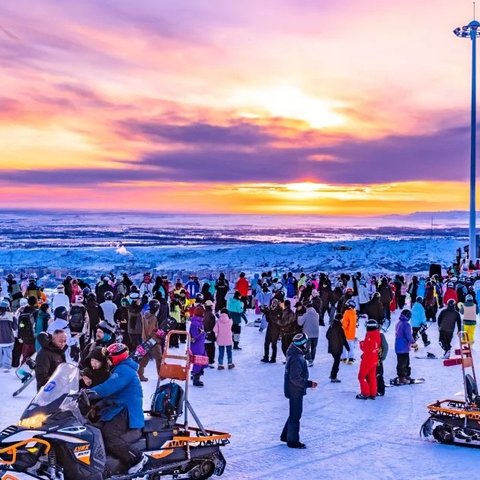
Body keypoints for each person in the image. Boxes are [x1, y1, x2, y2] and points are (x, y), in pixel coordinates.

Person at [88, 343, 146, 475]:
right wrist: (97, 406)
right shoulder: (119, 369)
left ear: (116, 358)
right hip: (118, 409)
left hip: (127, 412)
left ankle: (136, 458)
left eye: (109, 357)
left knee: (109, 435)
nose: (107, 360)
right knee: (94, 428)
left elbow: (107, 388)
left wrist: (88, 393)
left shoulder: (124, 370)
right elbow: (112, 395)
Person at [281, 333, 317, 449]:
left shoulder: (295, 353)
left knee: (294, 413)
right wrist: (308, 384)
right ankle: (292, 441)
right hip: (295, 390)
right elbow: (294, 377)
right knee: (295, 415)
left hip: (294, 389)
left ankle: (286, 435)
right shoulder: (297, 358)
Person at [138, 299, 162, 382]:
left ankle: (140, 375)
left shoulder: (145, 314)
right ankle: (161, 374)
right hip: (152, 341)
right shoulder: (153, 318)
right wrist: (158, 335)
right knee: (159, 358)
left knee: (144, 358)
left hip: (145, 339)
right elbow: (151, 331)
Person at [356, 319, 381, 400]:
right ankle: (373, 393)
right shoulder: (377, 335)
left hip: (367, 361)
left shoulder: (369, 337)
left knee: (361, 376)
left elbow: (365, 349)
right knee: (372, 377)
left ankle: (365, 393)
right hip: (374, 360)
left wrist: (361, 343)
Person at [326, 313, 349, 383]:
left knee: (336, 361)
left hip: (332, 347)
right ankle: (333, 376)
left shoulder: (332, 326)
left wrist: (332, 340)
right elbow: (343, 339)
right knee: (336, 362)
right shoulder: (339, 328)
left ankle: (332, 375)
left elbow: (327, 335)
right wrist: (348, 347)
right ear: (340, 319)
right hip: (337, 348)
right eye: (342, 319)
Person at [394, 309, 415, 384]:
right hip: (403, 347)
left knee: (403, 362)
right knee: (403, 363)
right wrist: (413, 342)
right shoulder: (406, 324)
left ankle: (405, 376)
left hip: (398, 346)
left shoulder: (399, 323)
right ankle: (402, 378)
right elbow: (409, 336)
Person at [297, 302, 319, 367]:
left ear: (307, 307)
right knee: (314, 347)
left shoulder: (306, 315)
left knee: (307, 348)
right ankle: (312, 359)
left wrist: (299, 317)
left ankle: (309, 360)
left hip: (308, 333)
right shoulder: (316, 314)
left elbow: (300, 323)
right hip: (316, 333)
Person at [261, 298, 282, 363]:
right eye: (272, 303)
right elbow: (268, 320)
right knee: (266, 343)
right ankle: (266, 357)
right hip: (270, 328)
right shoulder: (270, 309)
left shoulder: (280, 310)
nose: (273, 305)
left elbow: (274, 319)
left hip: (276, 329)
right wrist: (266, 312)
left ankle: (273, 358)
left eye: (274, 303)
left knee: (273, 344)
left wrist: (269, 312)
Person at [189, 306, 206, 387]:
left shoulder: (198, 321)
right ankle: (196, 379)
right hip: (196, 346)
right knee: (198, 361)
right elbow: (195, 334)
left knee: (201, 360)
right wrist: (202, 333)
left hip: (199, 345)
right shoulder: (195, 323)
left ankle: (197, 376)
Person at [0, 299, 17, 372]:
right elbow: (15, 327)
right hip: (8, 340)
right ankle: (6, 369)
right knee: (8, 355)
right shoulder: (11, 316)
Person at [341, 300, 357, 364]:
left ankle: (344, 358)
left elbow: (345, 324)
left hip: (345, 333)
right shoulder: (354, 313)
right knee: (351, 346)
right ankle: (351, 358)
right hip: (352, 333)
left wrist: (342, 323)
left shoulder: (347, 313)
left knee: (344, 346)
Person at [203, 300, 217, 368]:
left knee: (205, 349)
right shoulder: (211, 315)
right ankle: (210, 362)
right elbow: (213, 326)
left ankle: (204, 361)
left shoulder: (203, 313)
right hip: (210, 334)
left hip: (203, 334)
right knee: (211, 349)